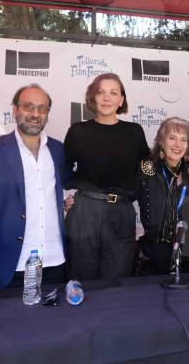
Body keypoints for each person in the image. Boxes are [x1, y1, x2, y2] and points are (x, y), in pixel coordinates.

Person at [0, 84, 72, 289]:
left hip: (55, 260)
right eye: (28, 106)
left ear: (48, 113)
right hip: (10, 263)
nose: (35, 114)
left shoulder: (58, 149)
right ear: (15, 110)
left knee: (58, 320)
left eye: (42, 108)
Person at [64, 73, 150, 280]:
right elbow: (62, 171)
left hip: (121, 212)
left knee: (118, 282)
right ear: (92, 98)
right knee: (81, 280)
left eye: (113, 93)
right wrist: (72, 195)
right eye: (101, 92)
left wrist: (187, 155)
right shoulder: (78, 131)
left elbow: (150, 168)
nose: (106, 98)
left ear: (121, 100)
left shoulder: (134, 132)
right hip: (85, 211)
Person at [137, 117, 189, 275]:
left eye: (184, 140)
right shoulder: (146, 168)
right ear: (161, 141)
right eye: (172, 138)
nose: (178, 145)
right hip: (157, 248)